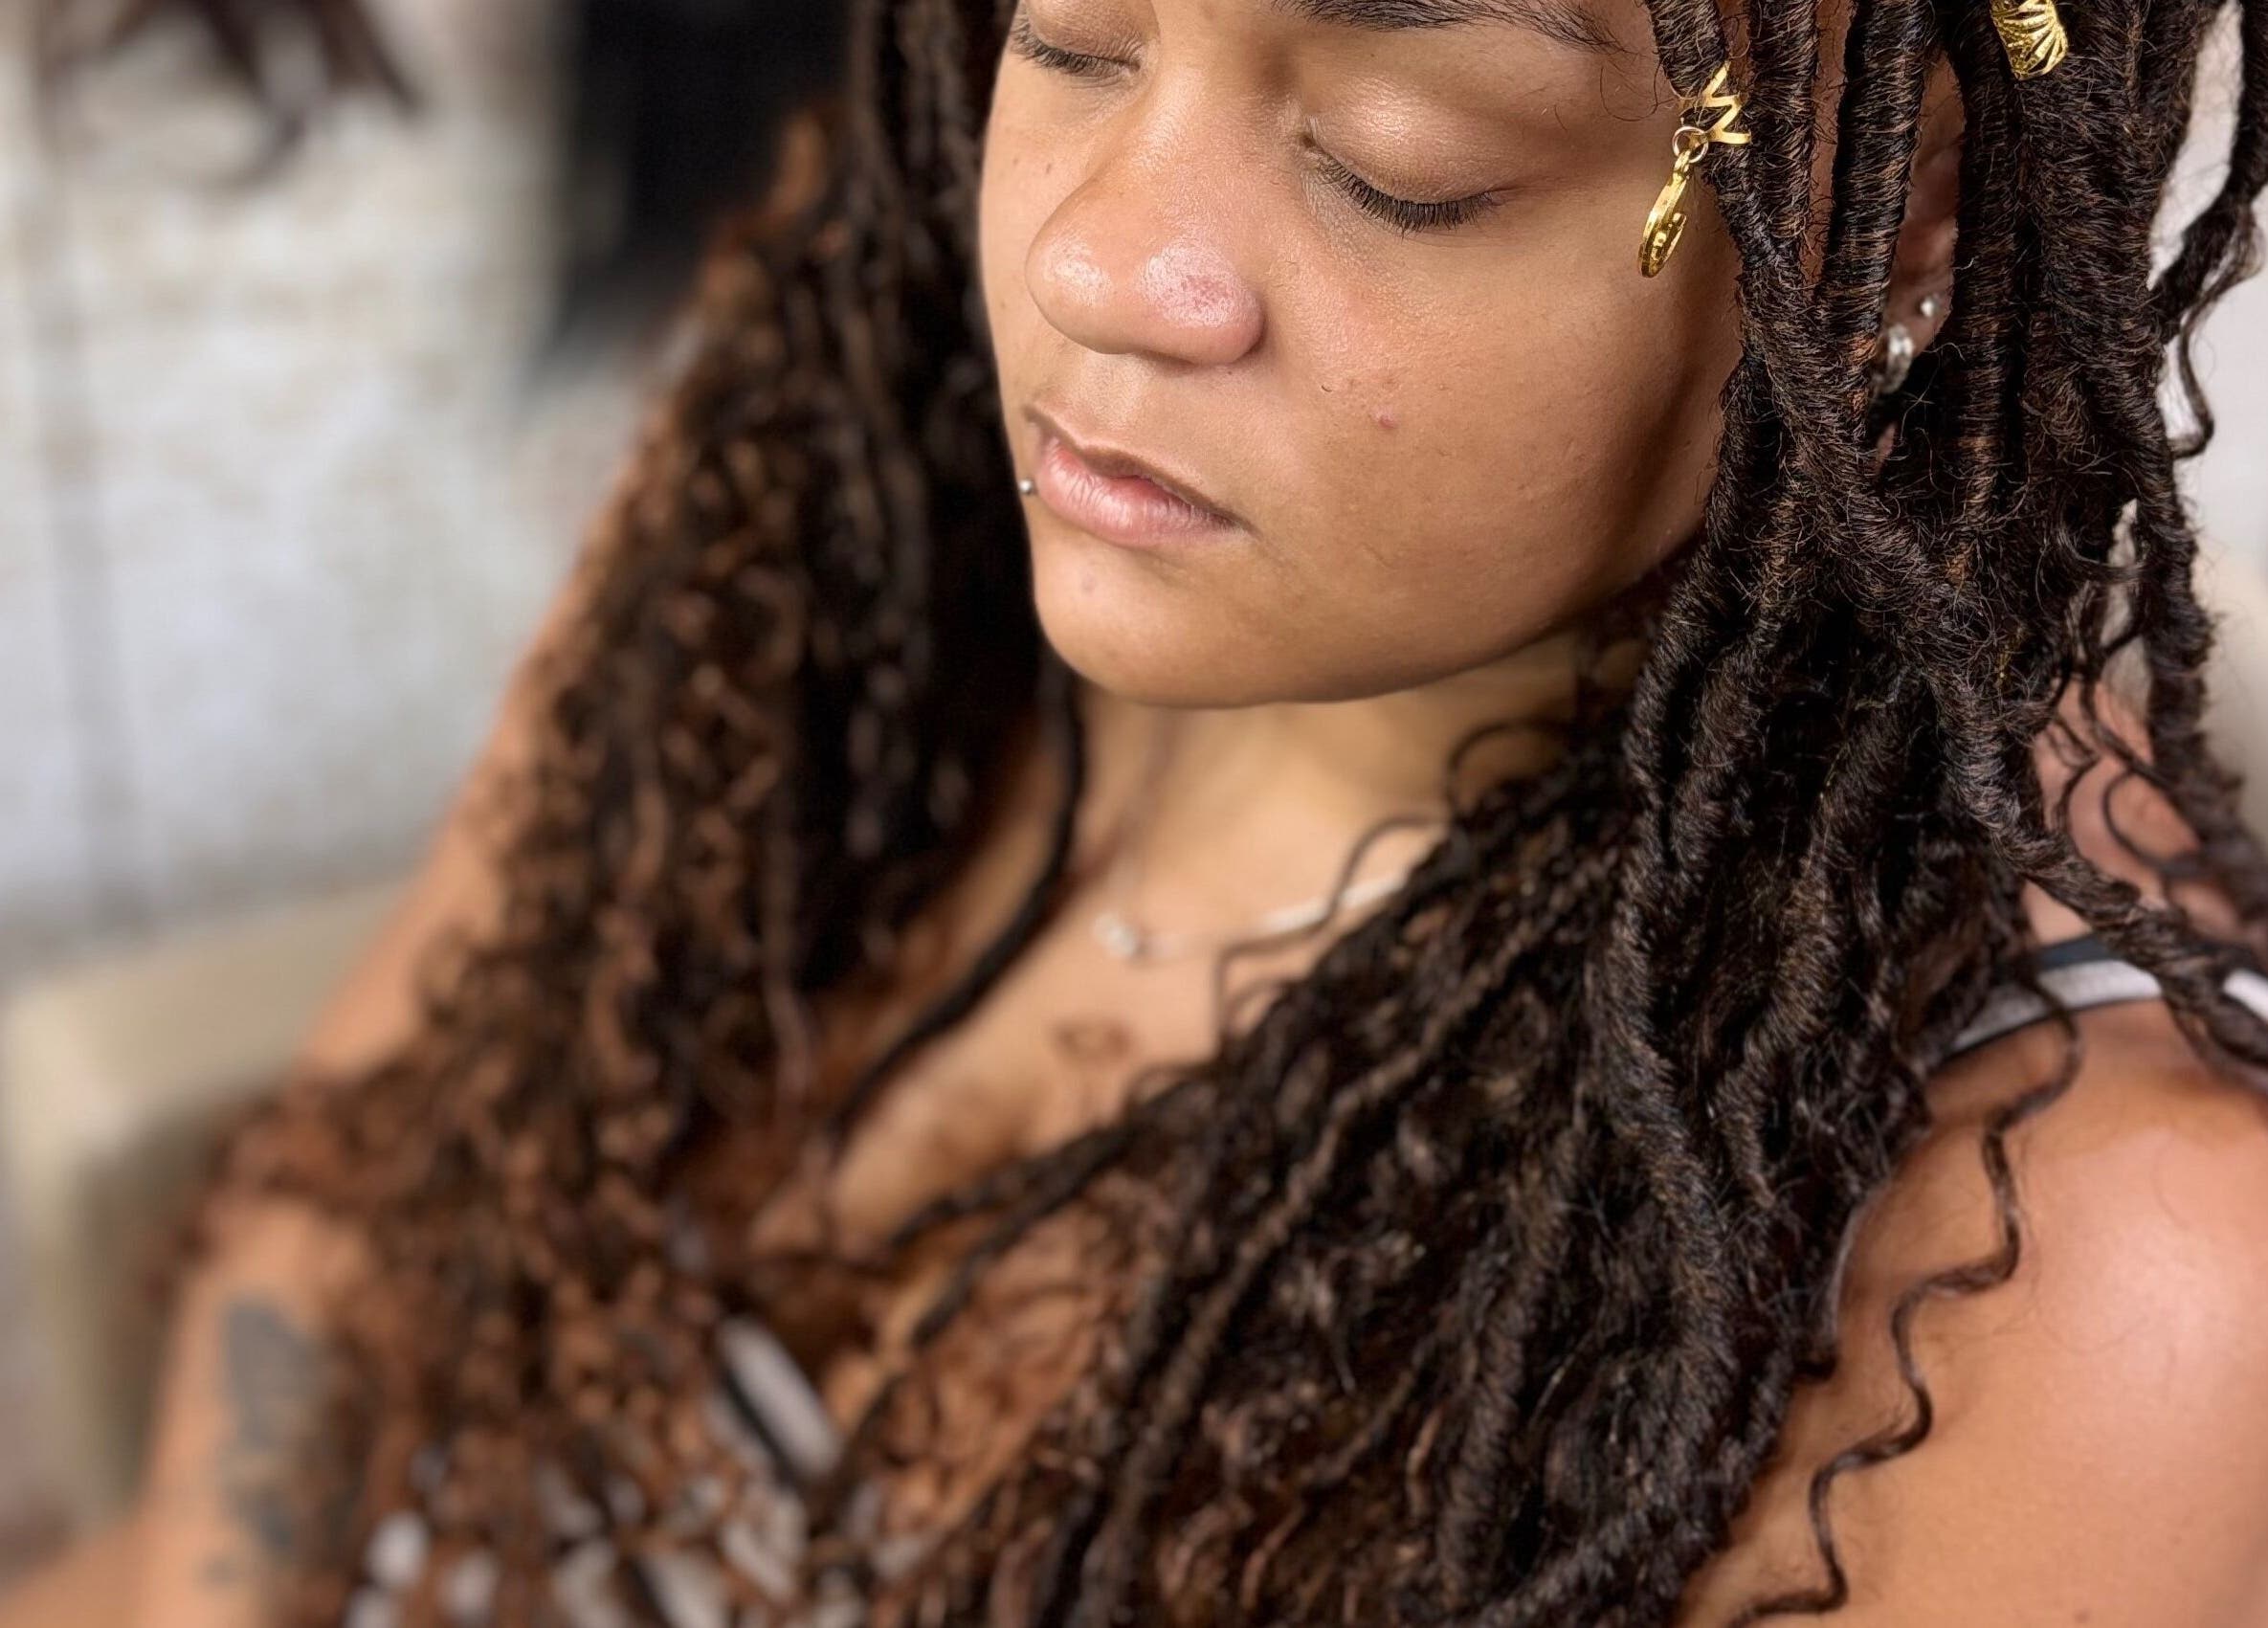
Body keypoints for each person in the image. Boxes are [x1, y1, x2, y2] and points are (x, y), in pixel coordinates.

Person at [11, 0, 2268, 1621]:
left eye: (1400, 158)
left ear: (1909, 207)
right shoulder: (857, 504)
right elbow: (340, 1251)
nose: (1095, 259)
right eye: (1073, 41)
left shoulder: (2085, 1268)